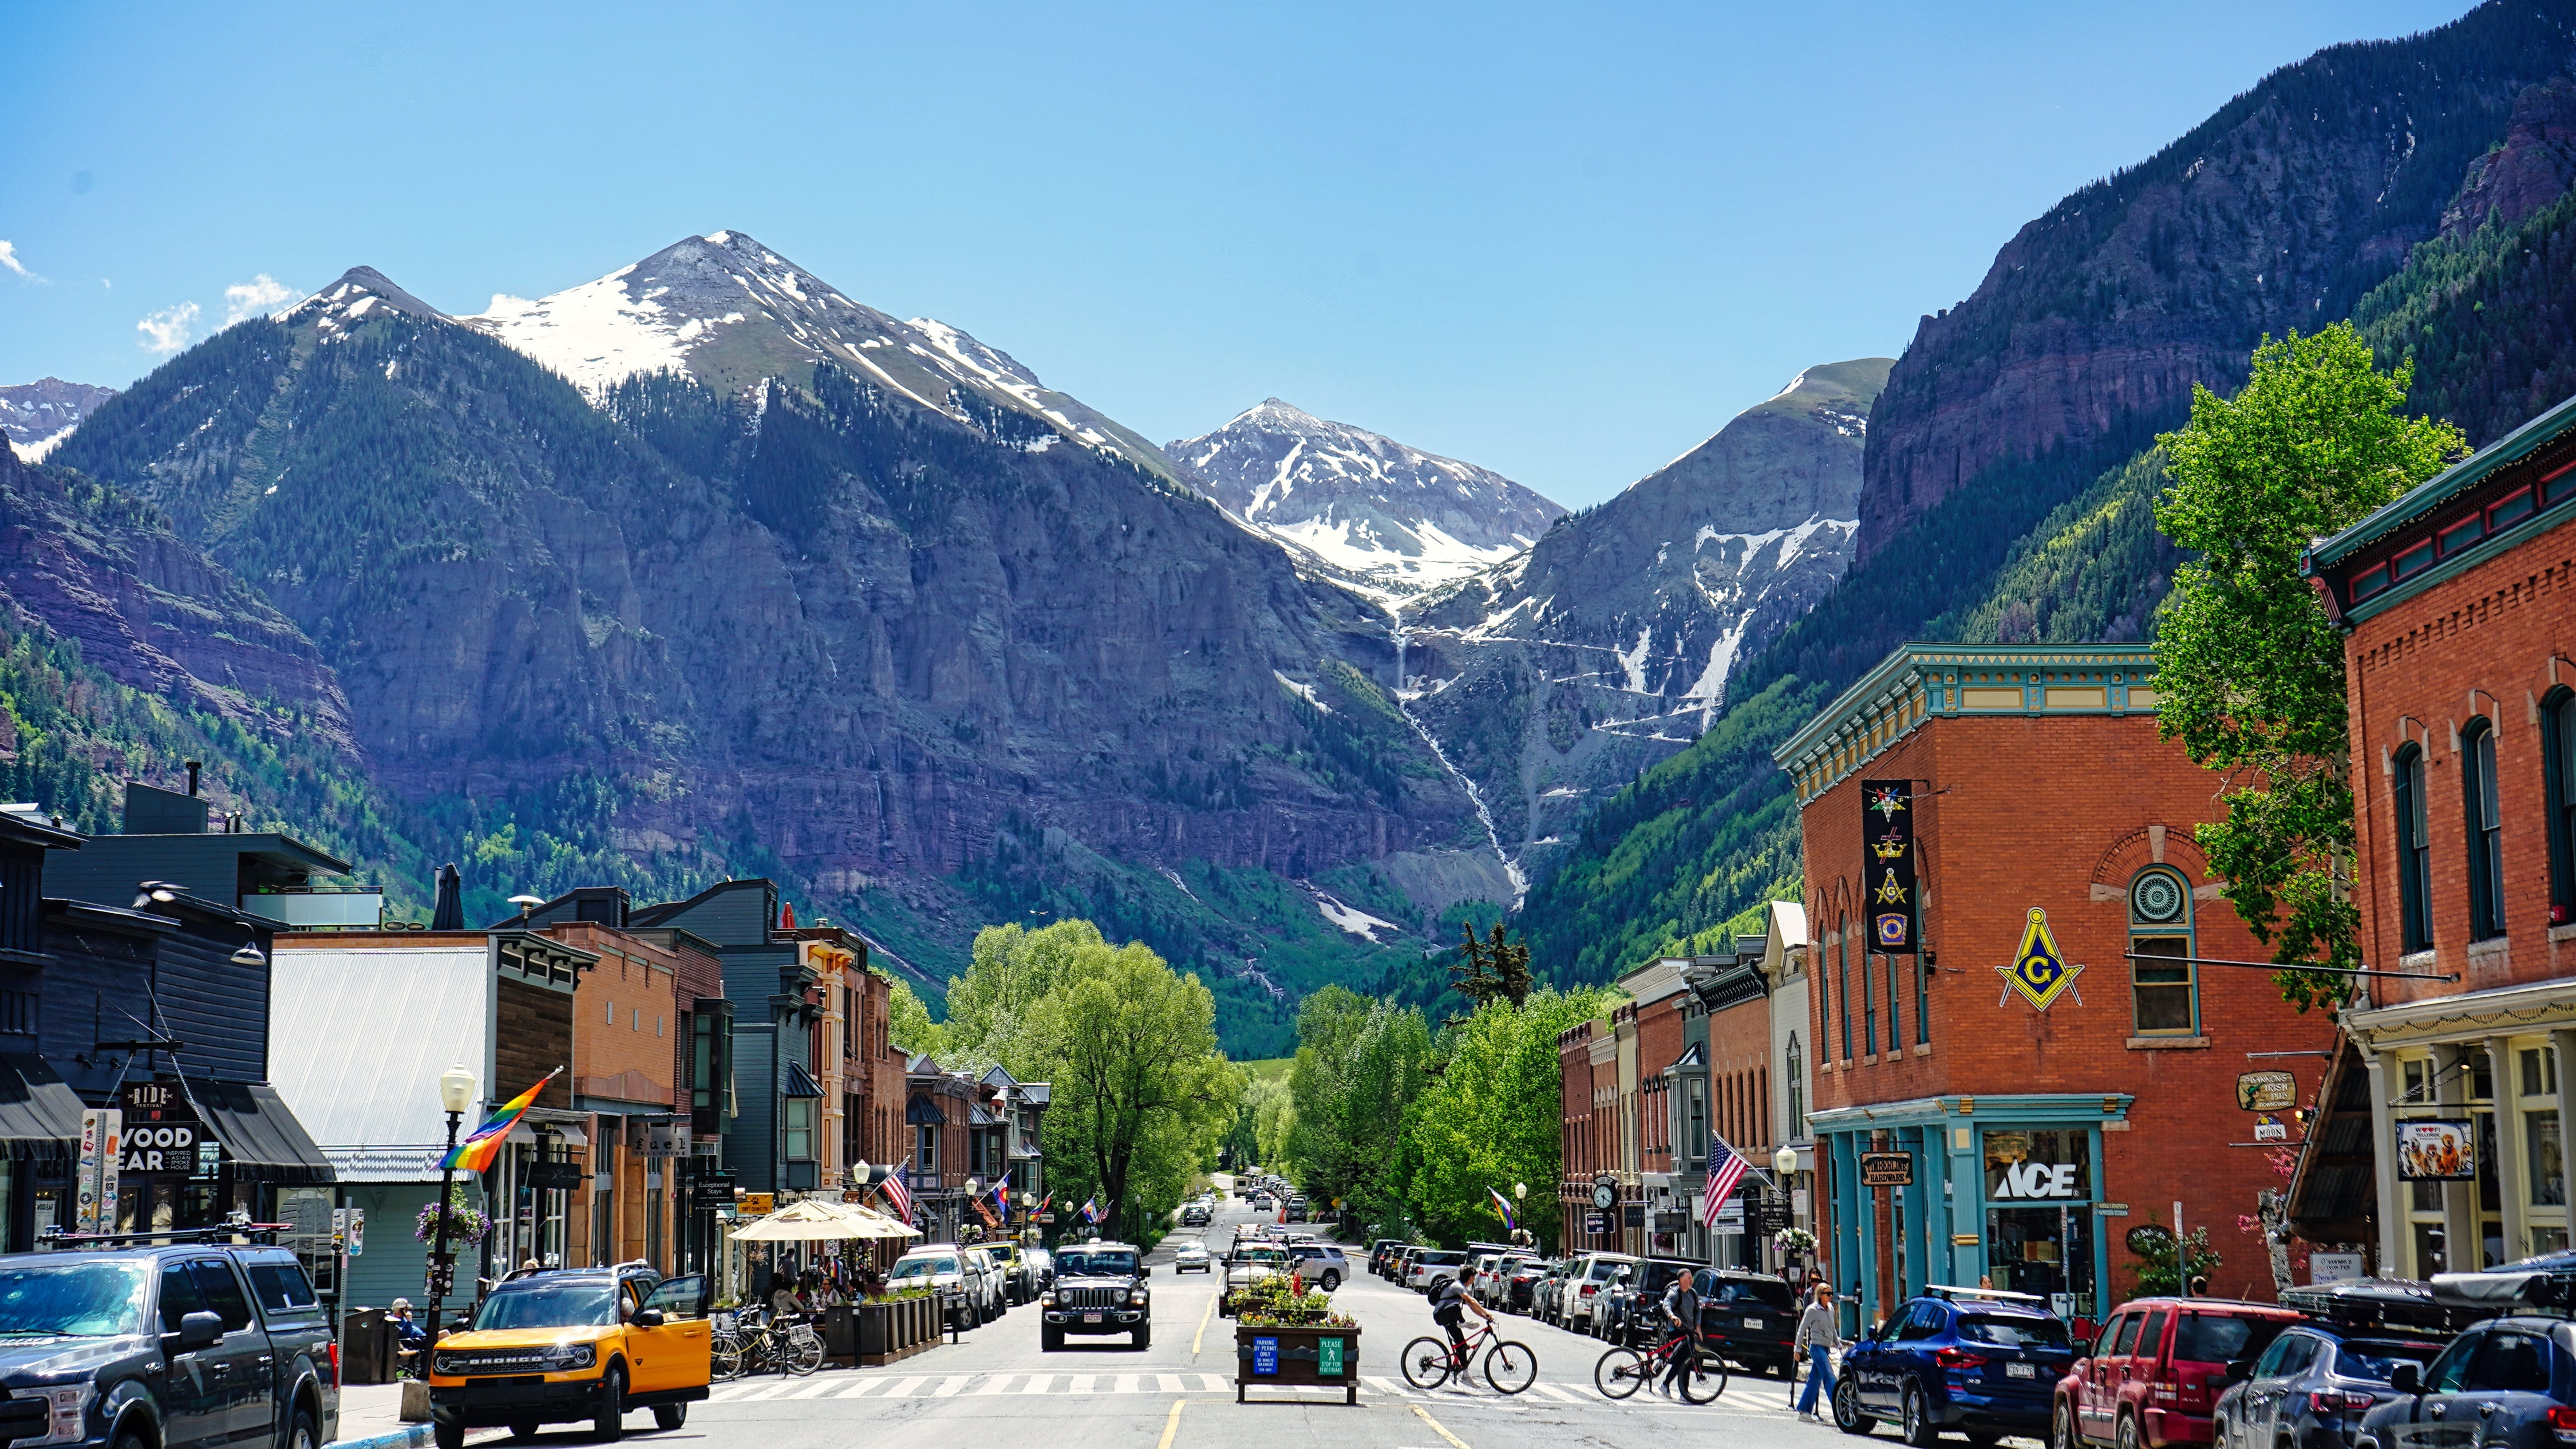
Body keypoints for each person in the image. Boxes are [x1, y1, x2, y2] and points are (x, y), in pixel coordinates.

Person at [1793, 1281, 1842, 1420]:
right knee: (1829, 1375)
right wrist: (1797, 1349)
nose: (1831, 1296)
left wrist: (1838, 1344)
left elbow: (1832, 1329)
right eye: (1828, 1294)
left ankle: (1804, 1411)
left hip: (1826, 1348)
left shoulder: (1831, 1308)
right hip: (1816, 1348)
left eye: (1832, 1293)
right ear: (1820, 1295)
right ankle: (1840, 1408)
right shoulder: (1812, 1310)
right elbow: (1802, 1329)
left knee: (1814, 1380)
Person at [1427, 1271, 1488, 1371]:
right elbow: (1472, 1300)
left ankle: (1465, 1374)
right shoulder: (1458, 1286)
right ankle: (1463, 1323)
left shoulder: (1462, 1287)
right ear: (1470, 1277)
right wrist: (1486, 1312)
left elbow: (1472, 1306)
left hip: (1449, 1317)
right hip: (1441, 1315)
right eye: (1474, 1276)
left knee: (1462, 1345)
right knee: (1456, 1307)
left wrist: (1485, 1317)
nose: (1475, 1279)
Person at [1659, 1271, 1704, 1396]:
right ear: (1681, 1280)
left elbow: (1697, 1311)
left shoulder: (1693, 1294)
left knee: (1686, 1360)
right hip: (1676, 1331)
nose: (1691, 1280)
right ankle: (1675, 1389)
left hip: (1689, 1331)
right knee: (1684, 1359)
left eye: (1691, 1278)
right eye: (1689, 1278)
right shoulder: (1674, 1293)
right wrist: (1672, 1316)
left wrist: (1698, 1327)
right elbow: (1666, 1306)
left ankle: (1672, 1387)